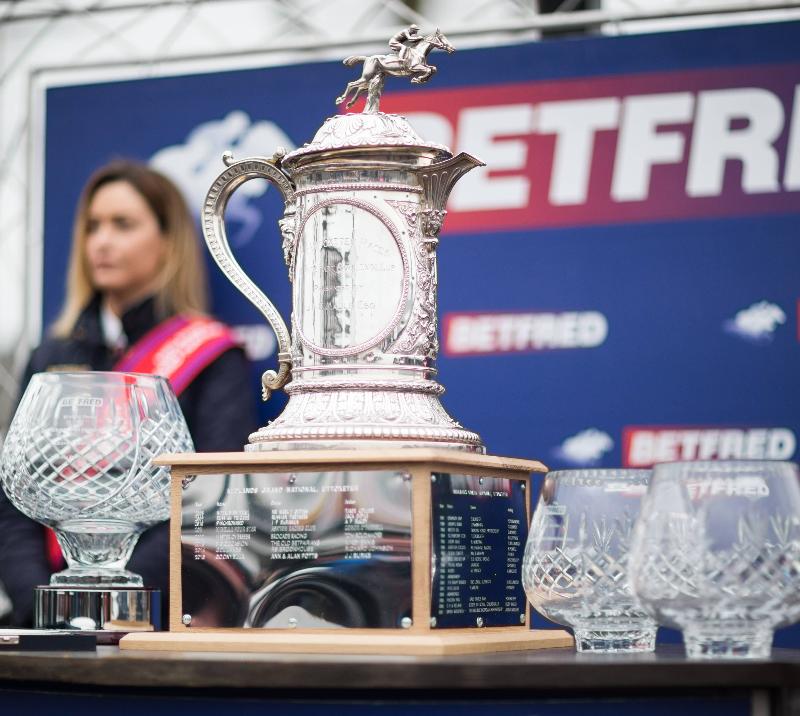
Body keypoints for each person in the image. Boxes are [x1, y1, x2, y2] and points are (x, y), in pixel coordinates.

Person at [0, 160, 258, 626]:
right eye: (93, 226)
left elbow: (211, 501)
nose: (101, 241)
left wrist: (112, 601)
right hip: (41, 614)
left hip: (153, 615)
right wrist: (38, 604)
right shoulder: (50, 355)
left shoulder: (211, 357)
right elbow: (14, 502)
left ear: (168, 241)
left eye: (123, 224)